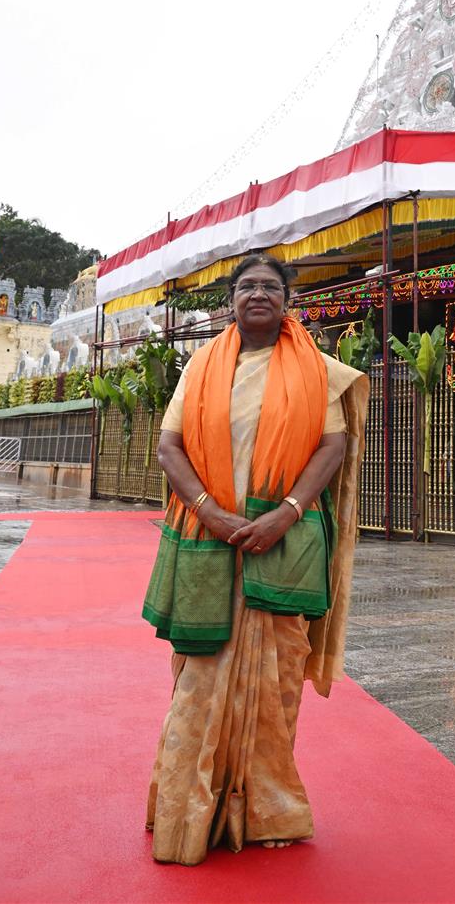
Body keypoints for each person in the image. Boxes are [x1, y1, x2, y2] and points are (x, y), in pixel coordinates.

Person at [143, 255, 369, 865]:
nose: (259, 294)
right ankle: (188, 803)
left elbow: (333, 445)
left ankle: (266, 806)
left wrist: (287, 512)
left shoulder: (313, 370)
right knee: (200, 676)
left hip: (285, 540)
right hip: (207, 535)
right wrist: (210, 511)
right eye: (247, 286)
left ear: (287, 300)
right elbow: (168, 445)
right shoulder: (202, 365)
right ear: (231, 301)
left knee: (275, 679)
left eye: (271, 285)